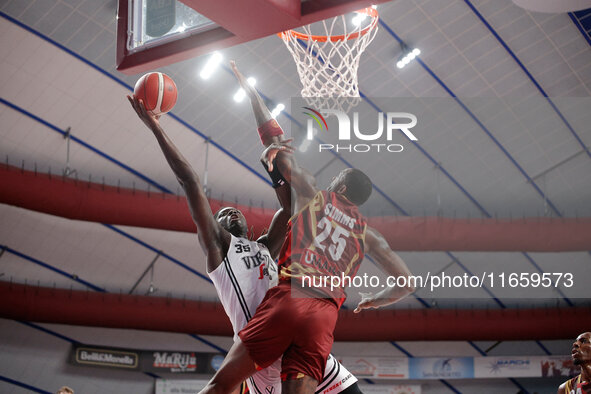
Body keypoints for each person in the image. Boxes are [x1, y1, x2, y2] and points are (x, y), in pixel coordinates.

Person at [197, 65, 415, 394]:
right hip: (323, 317)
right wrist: (374, 300)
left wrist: (252, 93)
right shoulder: (370, 236)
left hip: (289, 299)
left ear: (339, 186)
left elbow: (274, 140)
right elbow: (407, 284)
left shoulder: (314, 195)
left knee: (221, 386)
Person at [127, 95, 361, 394]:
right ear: (216, 227)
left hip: (294, 338)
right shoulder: (219, 249)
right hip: (259, 353)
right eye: (222, 213)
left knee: (346, 385)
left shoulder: (265, 246)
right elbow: (190, 182)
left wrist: (276, 167)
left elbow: (292, 208)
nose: (230, 210)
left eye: (234, 210)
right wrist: (156, 128)